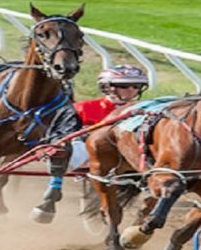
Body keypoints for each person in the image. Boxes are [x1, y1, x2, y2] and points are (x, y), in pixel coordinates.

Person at [30, 65, 148, 223]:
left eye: (137, 86)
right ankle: (53, 192)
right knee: (64, 148)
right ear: (108, 87)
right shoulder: (82, 109)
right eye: (124, 86)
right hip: (88, 155)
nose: (132, 90)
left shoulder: (146, 111)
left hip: (130, 156)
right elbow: (61, 135)